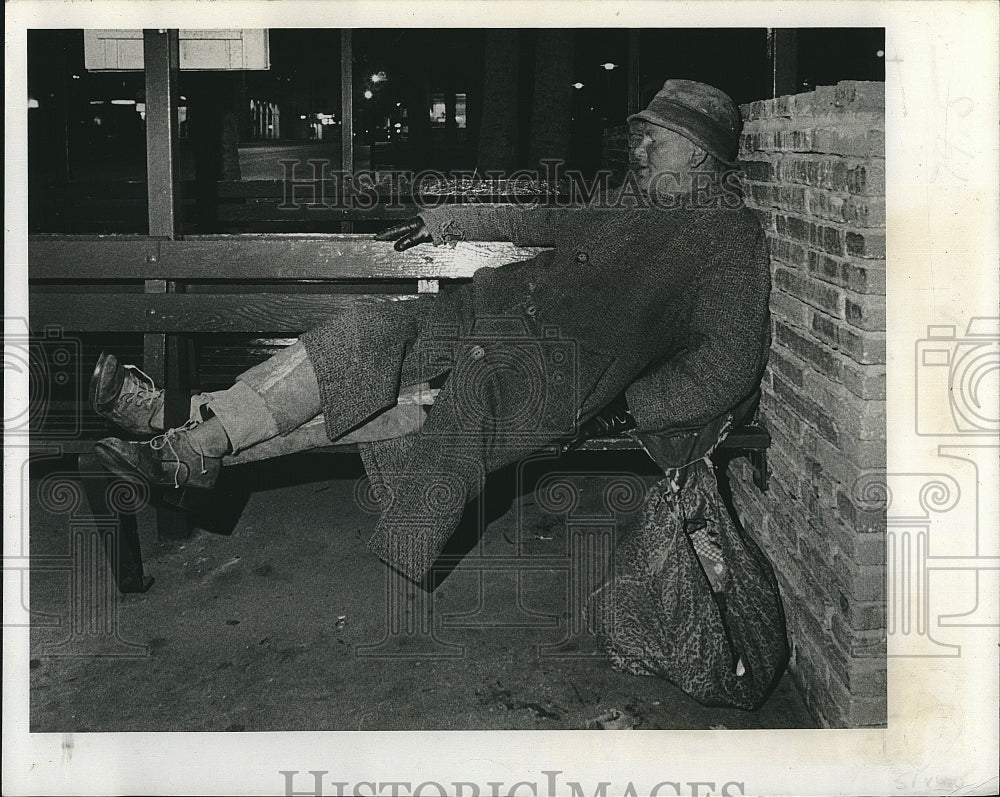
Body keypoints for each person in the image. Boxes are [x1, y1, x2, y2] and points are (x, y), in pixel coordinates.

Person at [93, 79, 771, 583]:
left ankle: (176, 432)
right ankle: (183, 439)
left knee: (402, 407)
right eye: (642, 131)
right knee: (365, 332)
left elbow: (730, 363)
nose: (639, 143)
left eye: (657, 136)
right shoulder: (632, 200)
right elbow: (548, 222)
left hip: (547, 375)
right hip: (487, 313)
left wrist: (629, 411)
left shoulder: (727, 237)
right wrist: (451, 219)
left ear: (703, 155)